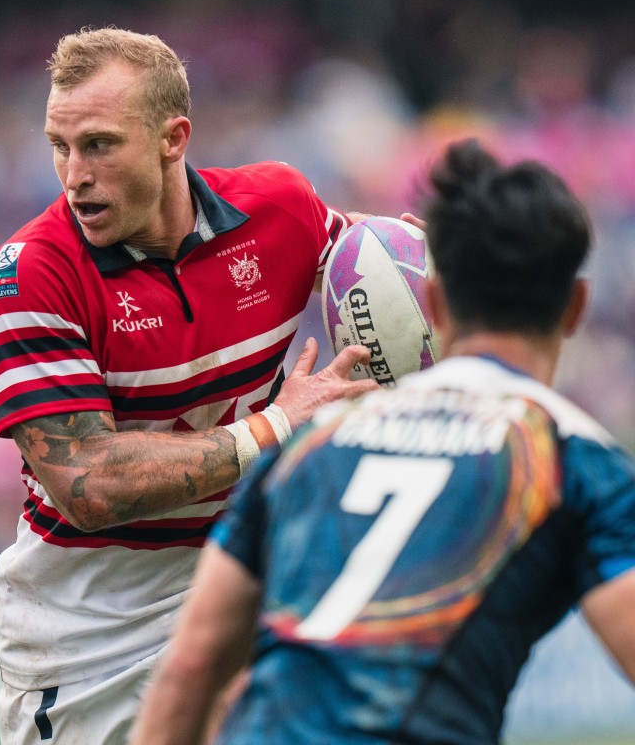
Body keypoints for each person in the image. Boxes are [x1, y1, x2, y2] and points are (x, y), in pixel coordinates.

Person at [130, 138, 635, 745]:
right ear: (576, 308)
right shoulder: (572, 459)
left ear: (438, 304)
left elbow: (191, 665)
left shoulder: (309, 446)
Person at [0, 26, 385, 743]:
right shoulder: (29, 275)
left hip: (244, 595)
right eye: (59, 145)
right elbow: (88, 484)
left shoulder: (281, 209)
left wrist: (436, 275)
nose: (73, 174)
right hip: (95, 641)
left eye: (98, 144)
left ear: (173, 138)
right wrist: (276, 426)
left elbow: (377, 271)